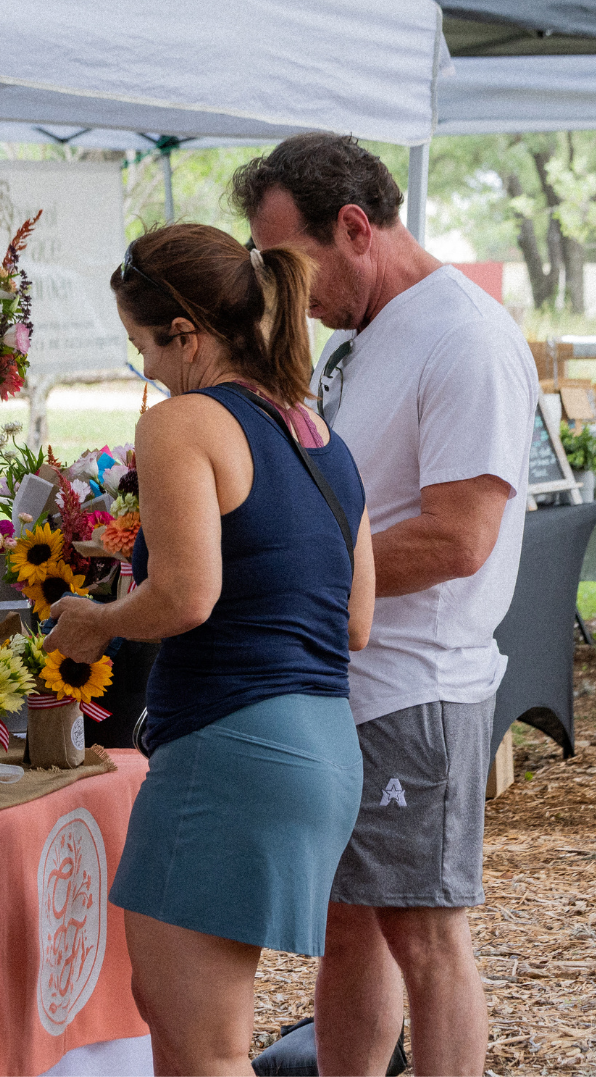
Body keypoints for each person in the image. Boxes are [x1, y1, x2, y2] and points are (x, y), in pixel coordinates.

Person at [231, 133, 538, 1077]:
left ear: (355, 227)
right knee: (347, 923)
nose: (280, 286)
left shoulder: (465, 337)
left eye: (289, 260)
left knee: (427, 938)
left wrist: (296, 577)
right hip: (347, 682)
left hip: (418, 689)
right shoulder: (352, 341)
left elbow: (459, 538)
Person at [45, 222, 375, 1076]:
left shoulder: (184, 423)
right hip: (325, 746)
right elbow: (354, 623)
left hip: (231, 746)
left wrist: (98, 618)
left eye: (143, 346)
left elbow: (188, 597)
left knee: (206, 1049)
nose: (145, 369)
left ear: (186, 334)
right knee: (180, 1017)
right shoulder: (319, 438)